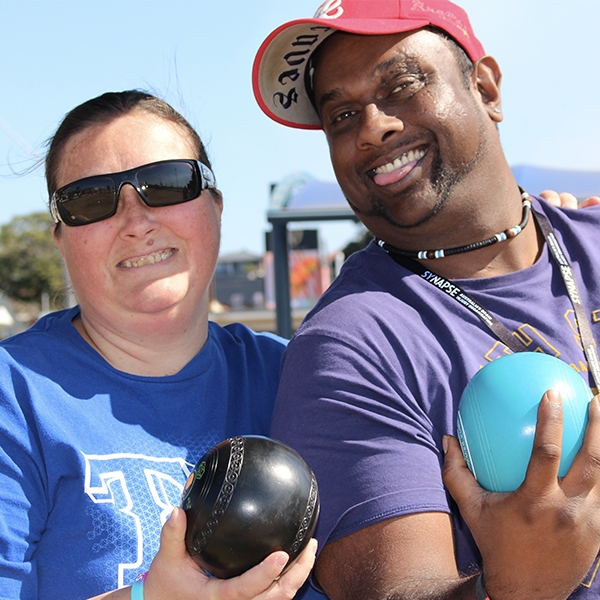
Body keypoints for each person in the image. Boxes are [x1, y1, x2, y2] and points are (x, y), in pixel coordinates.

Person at [252, 1, 600, 599]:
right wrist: (515, 587)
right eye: (340, 115)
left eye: (402, 85)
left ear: (485, 86)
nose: (372, 127)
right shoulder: (347, 345)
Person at [0, 90, 317, 600]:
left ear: (215, 205)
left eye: (168, 183)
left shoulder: (296, 377)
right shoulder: (14, 397)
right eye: (89, 199)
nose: (136, 220)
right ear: (60, 237)